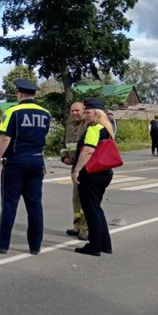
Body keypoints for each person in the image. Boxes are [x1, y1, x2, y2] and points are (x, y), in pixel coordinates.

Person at [0, 78, 51, 255]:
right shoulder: (45, 113)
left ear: (19, 94)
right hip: (37, 161)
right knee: (35, 204)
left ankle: (2, 244)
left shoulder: (13, 111)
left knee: (10, 204)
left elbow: (5, 138)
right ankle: (35, 245)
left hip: (16, 162)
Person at [72, 98, 115, 256]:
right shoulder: (107, 128)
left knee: (90, 210)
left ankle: (94, 245)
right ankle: (105, 244)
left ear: (96, 113)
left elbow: (88, 150)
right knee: (97, 208)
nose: (85, 114)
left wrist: (77, 170)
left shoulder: (94, 128)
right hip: (105, 172)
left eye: (88, 112)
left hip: (91, 174)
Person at [61, 102, 88, 241]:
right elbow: (63, 144)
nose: (74, 113)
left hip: (88, 167)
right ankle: (77, 226)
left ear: (84, 110)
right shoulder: (69, 126)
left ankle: (86, 229)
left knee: (86, 199)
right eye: (72, 111)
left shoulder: (89, 125)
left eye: (77, 110)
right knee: (76, 199)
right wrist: (64, 156)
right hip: (74, 167)